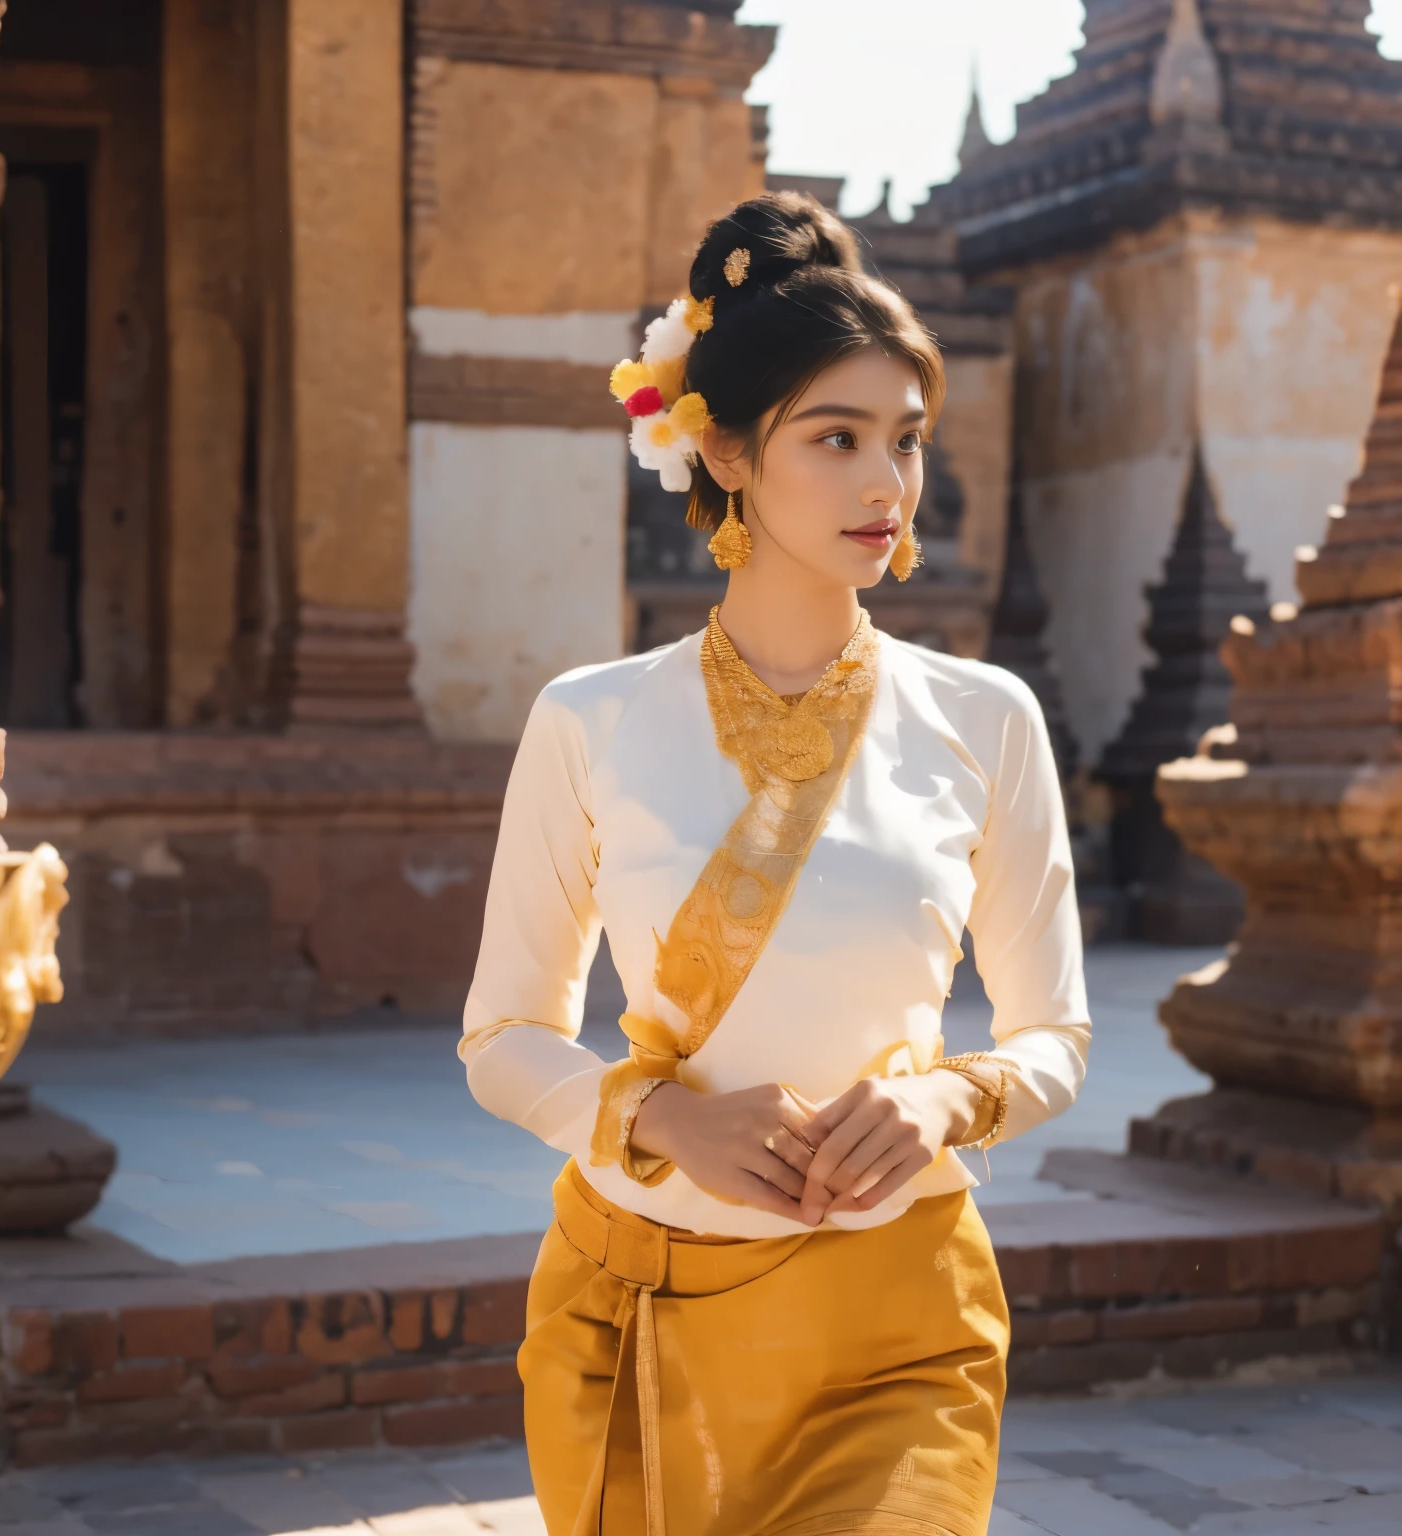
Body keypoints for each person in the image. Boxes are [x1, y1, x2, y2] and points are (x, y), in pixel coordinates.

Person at [459, 192, 1090, 1536]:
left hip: (903, 1320)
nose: (885, 484)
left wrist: (945, 1104)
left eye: (905, 442)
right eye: (838, 437)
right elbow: (503, 1038)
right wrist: (664, 1119)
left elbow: (1055, 1037)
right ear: (728, 455)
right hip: (640, 1306)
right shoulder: (591, 716)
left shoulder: (985, 719)